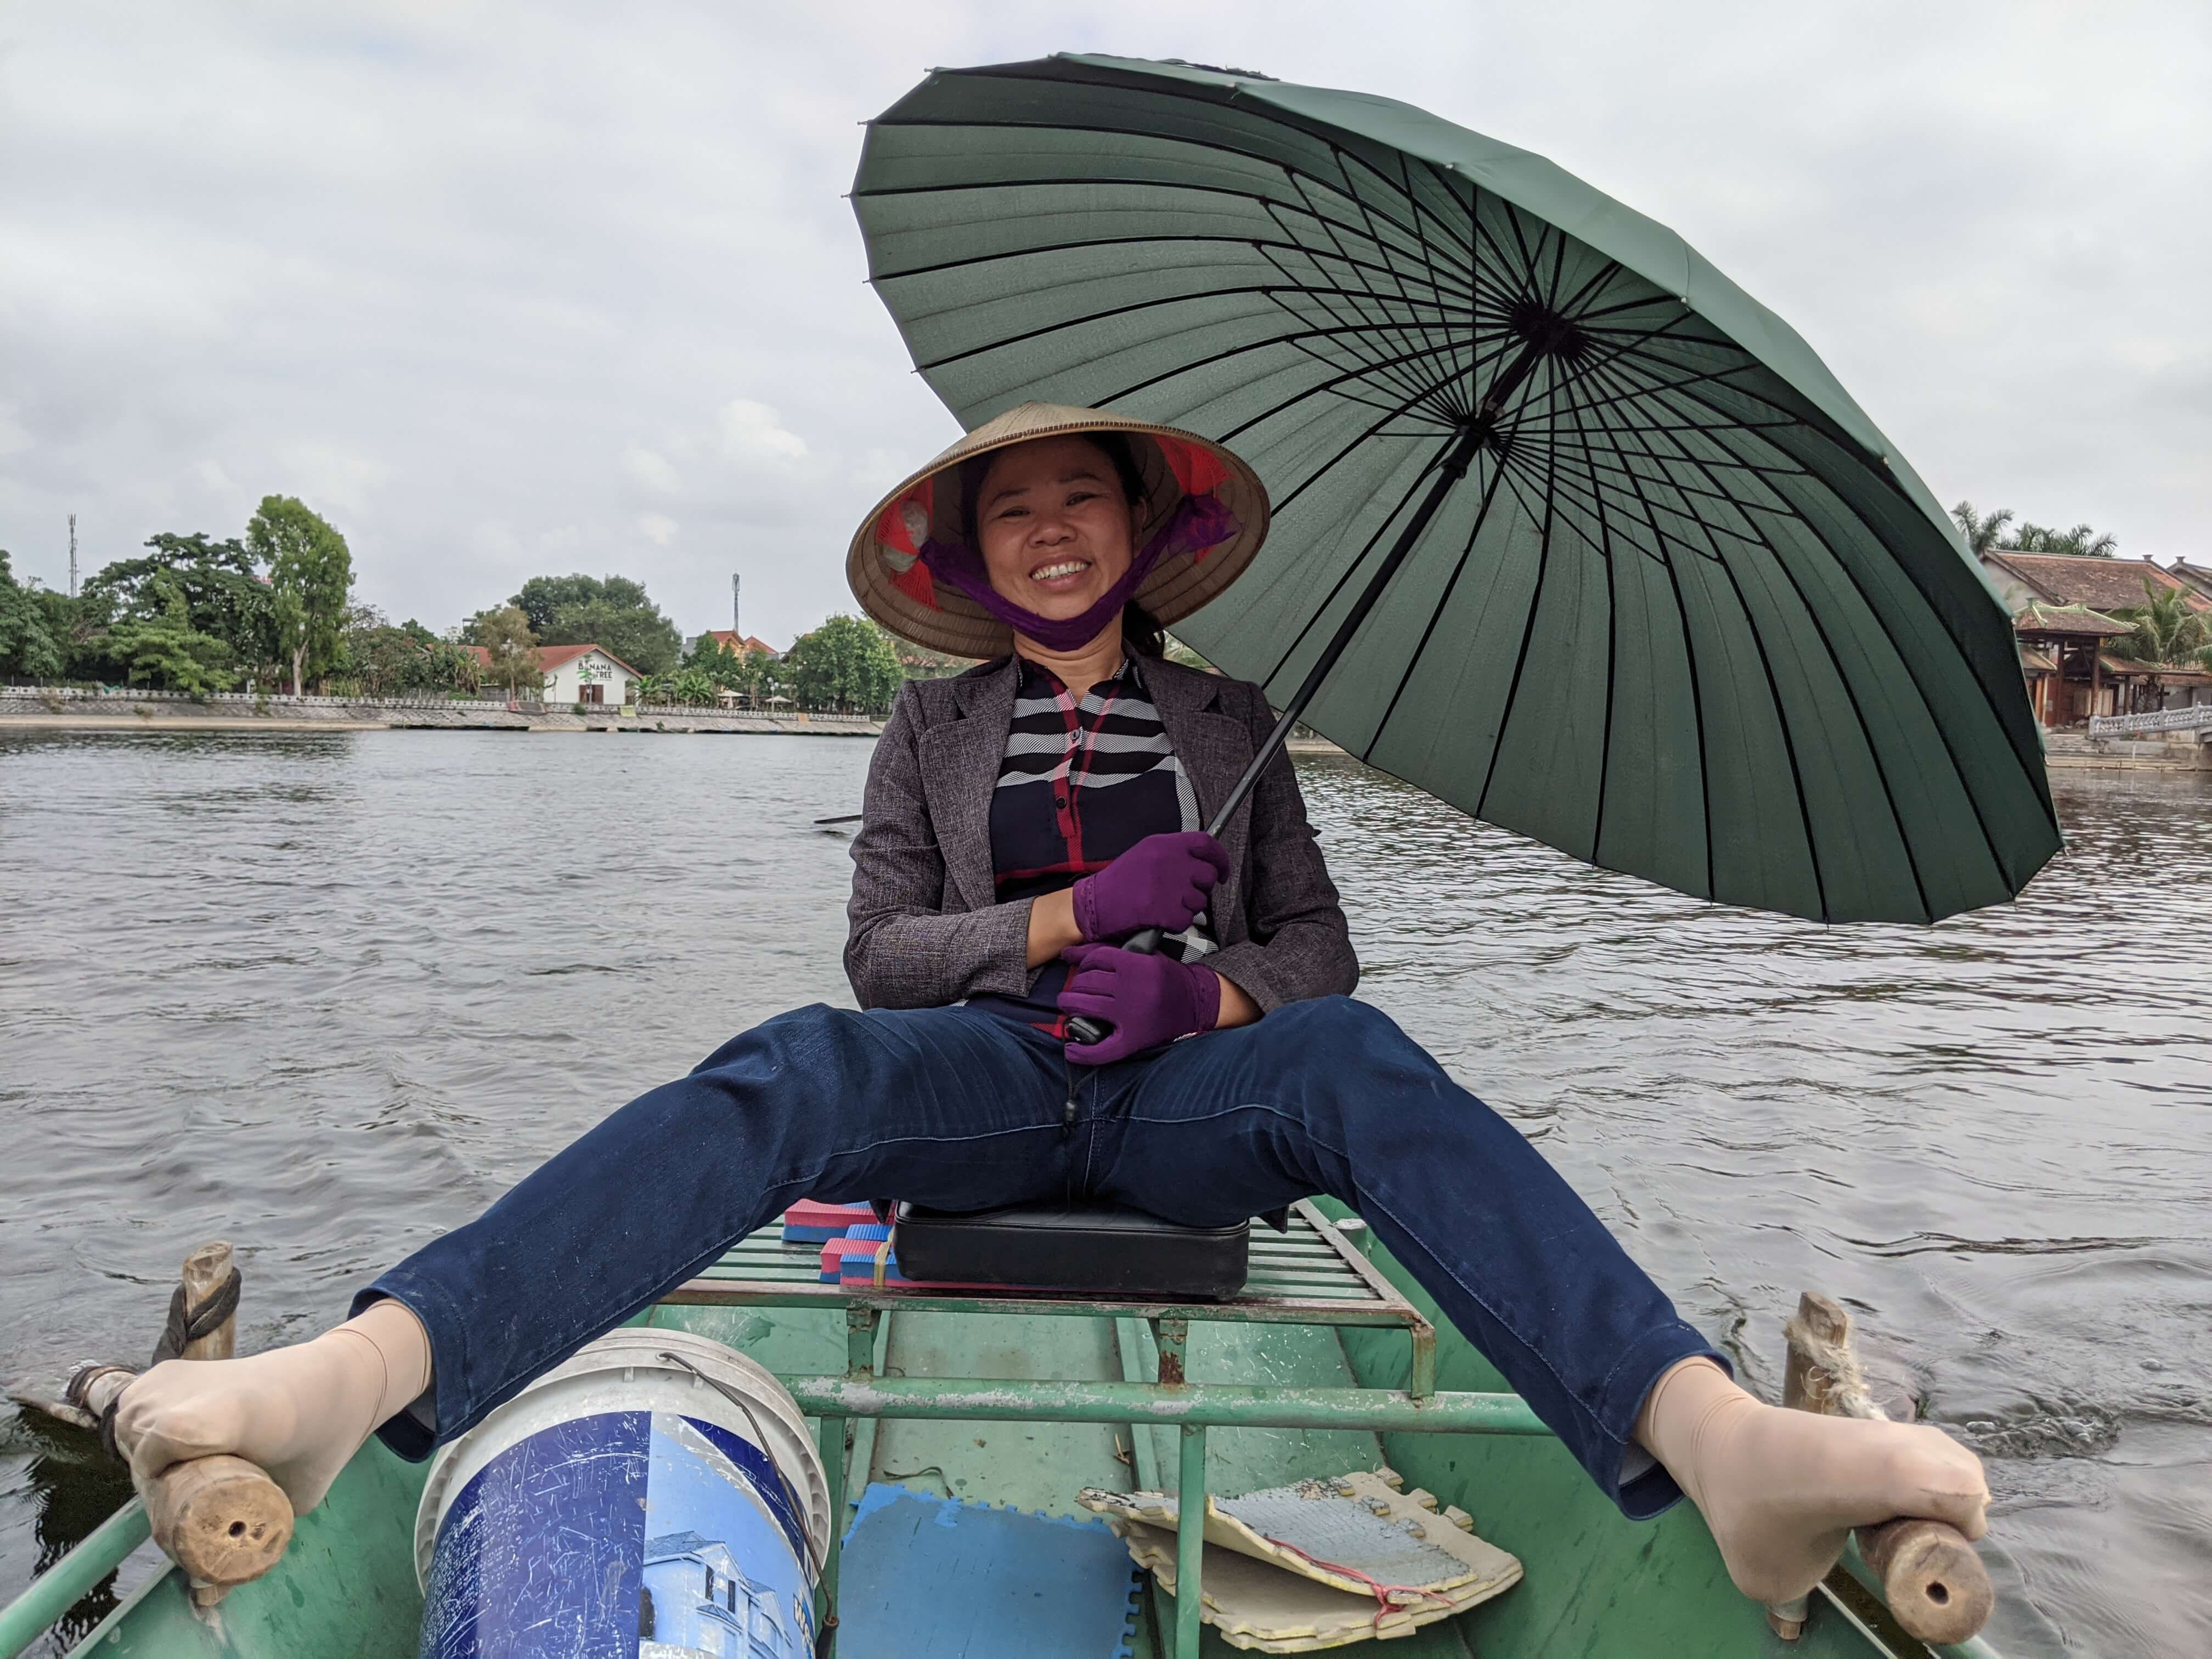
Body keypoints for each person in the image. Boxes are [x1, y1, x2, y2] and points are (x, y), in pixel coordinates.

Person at [111, 403, 1988, 1609]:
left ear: (1135, 532)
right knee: (794, 1068)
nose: (1049, 529)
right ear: (978, 555)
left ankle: (1717, 1444)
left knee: (1361, 1059)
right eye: (1014, 510)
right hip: (985, 1084)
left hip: (1187, 1117)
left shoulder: (1235, 725)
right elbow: (882, 956)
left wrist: (1207, 996)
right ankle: (361, 1380)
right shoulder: (928, 724)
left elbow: (1320, 958)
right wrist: (1070, 920)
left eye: (1078, 498)